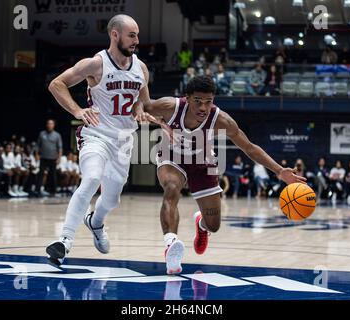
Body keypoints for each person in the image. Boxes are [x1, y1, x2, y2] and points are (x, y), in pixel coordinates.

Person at [143, 76, 306, 274]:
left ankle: (201, 224)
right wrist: (158, 121)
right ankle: (171, 244)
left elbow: (249, 147)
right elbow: (142, 106)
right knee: (171, 187)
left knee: (214, 225)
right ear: (187, 98)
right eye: (198, 101)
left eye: (208, 101)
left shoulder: (221, 119)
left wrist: (280, 171)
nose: (203, 107)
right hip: (172, 158)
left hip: (204, 163)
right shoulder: (170, 106)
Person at [45, 14, 155, 266]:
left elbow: (144, 100)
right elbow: (57, 84)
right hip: (95, 134)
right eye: (132, 35)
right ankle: (65, 240)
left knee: (113, 198)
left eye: (137, 34)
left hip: (124, 140)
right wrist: (76, 111)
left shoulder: (141, 68)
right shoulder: (95, 64)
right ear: (114, 34)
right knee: (92, 178)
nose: (137, 40)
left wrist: (140, 109)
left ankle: (96, 223)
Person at [35, 119, 63, 197]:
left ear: (54, 125)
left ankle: (53, 190)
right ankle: (37, 190)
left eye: (51, 124)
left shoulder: (57, 135)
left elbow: (60, 147)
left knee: (53, 175)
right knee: (41, 174)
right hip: (43, 157)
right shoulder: (42, 134)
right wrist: (36, 154)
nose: (50, 125)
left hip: (53, 158)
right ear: (47, 125)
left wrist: (59, 157)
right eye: (48, 124)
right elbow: (37, 145)